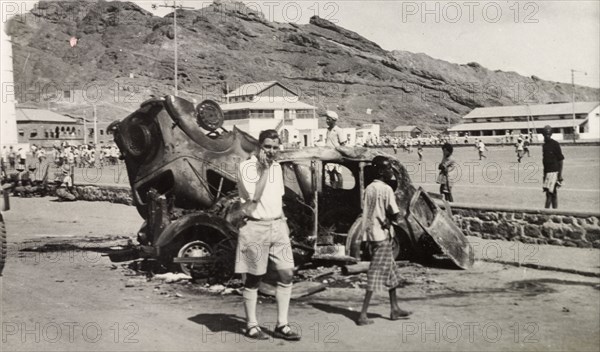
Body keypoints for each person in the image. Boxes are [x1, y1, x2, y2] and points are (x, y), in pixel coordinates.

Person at [234, 129, 300, 341]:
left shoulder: (277, 167)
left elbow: (277, 199)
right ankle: (251, 325)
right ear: (257, 146)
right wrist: (263, 170)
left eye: (274, 147)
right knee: (254, 278)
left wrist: (284, 224)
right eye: (267, 147)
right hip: (255, 226)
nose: (271, 151)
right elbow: (254, 197)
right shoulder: (246, 167)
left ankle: (282, 324)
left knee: (287, 273)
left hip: (277, 226)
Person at [357, 156, 412, 326]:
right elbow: (395, 214)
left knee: (391, 272)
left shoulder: (369, 188)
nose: (391, 172)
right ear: (381, 171)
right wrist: (397, 217)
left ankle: (394, 308)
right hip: (381, 236)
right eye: (388, 169)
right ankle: (362, 315)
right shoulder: (387, 189)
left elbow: (367, 212)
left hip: (372, 235)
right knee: (374, 275)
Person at [541, 125, 564, 209]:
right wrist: (544, 176)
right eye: (545, 134)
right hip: (547, 173)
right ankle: (555, 212)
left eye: (548, 134)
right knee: (553, 193)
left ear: (551, 134)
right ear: (543, 134)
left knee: (549, 194)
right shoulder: (544, 146)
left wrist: (560, 175)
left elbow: (560, 160)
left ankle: (546, 213)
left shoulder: (555, 144)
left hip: (554, 172)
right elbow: (545, 162)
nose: (547, 135)